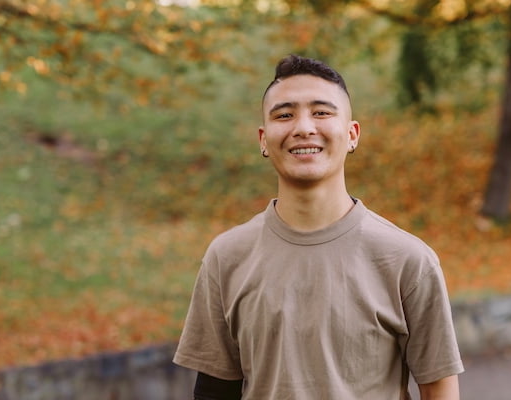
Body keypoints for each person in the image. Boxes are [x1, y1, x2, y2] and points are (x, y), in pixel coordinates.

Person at [173, 54, 464, 399]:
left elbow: (440, 390)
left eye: (322, 112)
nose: (303, 127)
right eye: (285, 115)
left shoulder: (408, 260)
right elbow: (214, 392)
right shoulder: (227, 256)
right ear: (264, 139)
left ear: (352, 134)